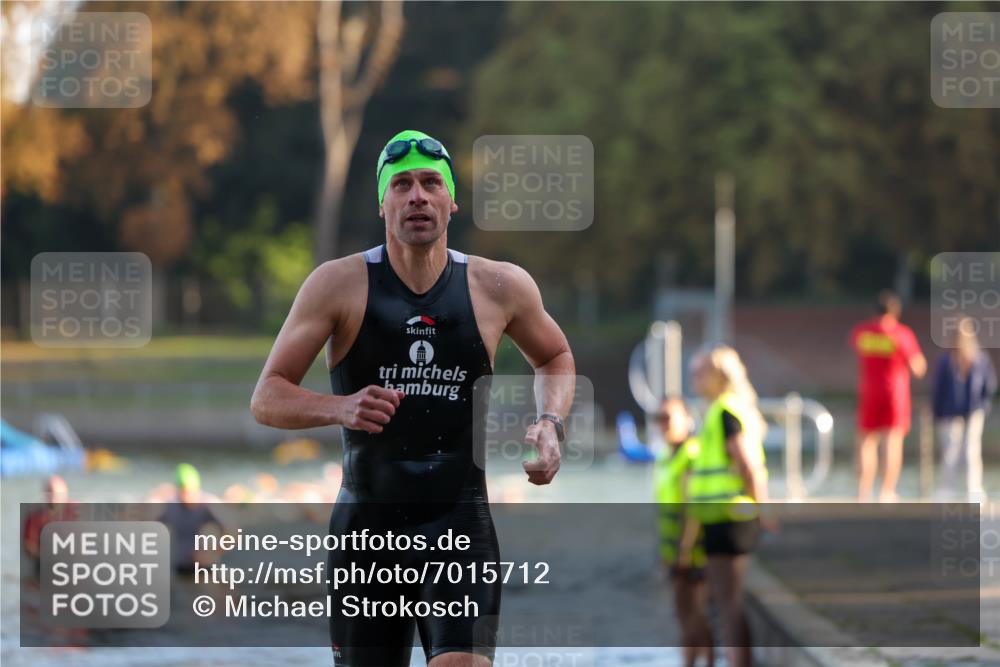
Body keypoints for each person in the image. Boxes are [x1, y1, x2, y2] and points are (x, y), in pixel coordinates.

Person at [250, 130, 575, 667]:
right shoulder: (338, 285)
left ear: (452, 200)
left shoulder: (500, 287)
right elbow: (267, 396)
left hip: (460, 526)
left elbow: (556, 356)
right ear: (383, 203)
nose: (417, 196)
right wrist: (341, 407)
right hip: (367, 533)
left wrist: (550, 424)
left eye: (430, 183)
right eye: (401, 185)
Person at [687, 345, 769, 667]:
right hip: (721, 517)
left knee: (728, 602)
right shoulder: (723, 409)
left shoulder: (724, 412)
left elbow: (748, 466)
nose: (693, 379)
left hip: (729, 518)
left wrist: (764, 509)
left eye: (700, 372)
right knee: (725, 601)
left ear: (719, 376)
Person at [849, 290, 927, 502]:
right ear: (896, 312)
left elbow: (857, 348)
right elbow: (918, 366)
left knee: (866, 442)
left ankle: (862, 493)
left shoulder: (862, 332)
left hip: (869, 393)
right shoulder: (901, 334)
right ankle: (886, 491)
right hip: (895, 394)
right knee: (892, 442)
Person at [652, 397, 712, 667]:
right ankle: (688, 662)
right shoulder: (666, 456)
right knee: (682, 611)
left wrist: (685, 550)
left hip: (692, 550)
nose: (662, 424)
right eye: (659, 418)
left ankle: (709, 661)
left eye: (668, 417)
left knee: (696, 613)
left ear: (687, 420)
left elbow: (692, 507)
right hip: (673, 548)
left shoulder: (692, 455)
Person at [932, 317, 997, 502]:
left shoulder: (979, 358)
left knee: (971, 450)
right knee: (951, 450)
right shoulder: (946, 360)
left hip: (973, 409)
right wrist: (938, 411)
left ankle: (974, 489)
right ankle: (947, 489)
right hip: (949, 411)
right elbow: (939, 387)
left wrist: (983, 406)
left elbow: (989, 384)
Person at [156, 463, 226, 575]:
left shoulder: (209, 504)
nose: (187, 495)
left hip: (205, 566)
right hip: (182, 564)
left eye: (189, 490)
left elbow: (233, 532)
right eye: (183, 491)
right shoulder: (171, 506)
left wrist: (215, 552)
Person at [23, 475, 76, 579]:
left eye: (56, 494)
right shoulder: (34, 517)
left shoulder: (77, 512)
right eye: (50, 493)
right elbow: (28, 546)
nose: (53, 498)